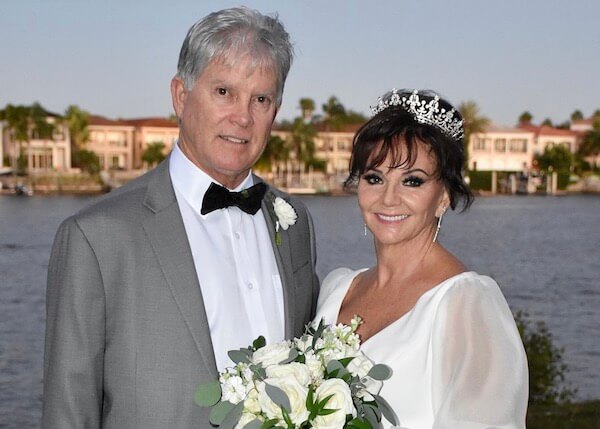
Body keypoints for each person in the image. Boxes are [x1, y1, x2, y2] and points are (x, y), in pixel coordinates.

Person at [42, 7, 319, 428]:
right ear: (181, 95)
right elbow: (68, 411)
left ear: (275, 112)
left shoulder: (294, 222)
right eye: (223, 91)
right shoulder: (95, 237)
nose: (242, 117)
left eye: (260, 99)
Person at [315, 89, 528, 428]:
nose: (388, 198)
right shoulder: (337, 288)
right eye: (374, 178)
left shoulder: (466, 305)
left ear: (443, 196)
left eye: (412, 181)